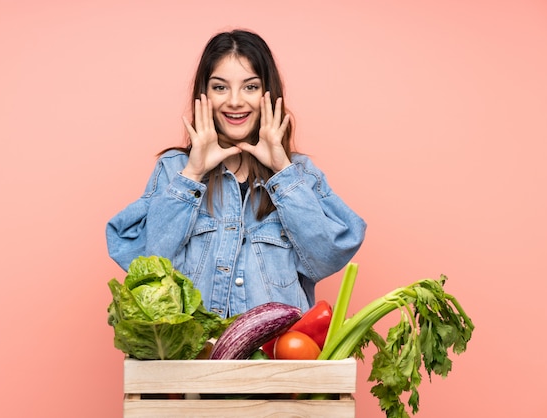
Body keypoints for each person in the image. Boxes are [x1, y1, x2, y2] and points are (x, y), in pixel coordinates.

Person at [106, 29, 366, 317]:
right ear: (204, 95)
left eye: (250, 87)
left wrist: (282, 170)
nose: (234, 101)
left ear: (268, 94)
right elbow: (150, 267)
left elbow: (326, 257)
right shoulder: (175, 169)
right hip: (195, 358)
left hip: (278, 357)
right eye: (220, 87)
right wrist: (193, 173)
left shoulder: (299, 173)